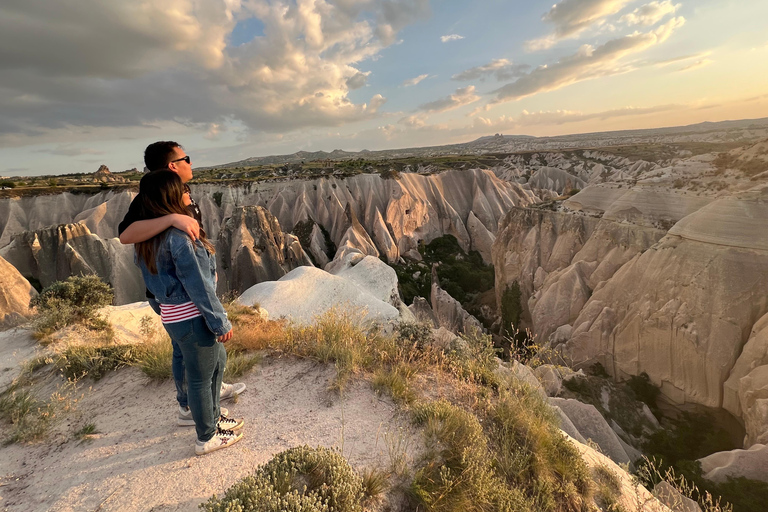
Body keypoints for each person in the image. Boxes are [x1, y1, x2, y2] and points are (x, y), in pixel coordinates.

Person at [118, 141, 246, 427]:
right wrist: (173, 218)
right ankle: (192, 407)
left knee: (195, 352)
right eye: (186, 158)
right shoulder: (151, 198)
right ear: (172, 166)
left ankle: (204, 395)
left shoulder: (175, 194)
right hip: (180, 296)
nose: (191, 163)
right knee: (190, 351)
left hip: (181, 295)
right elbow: (126, 235)